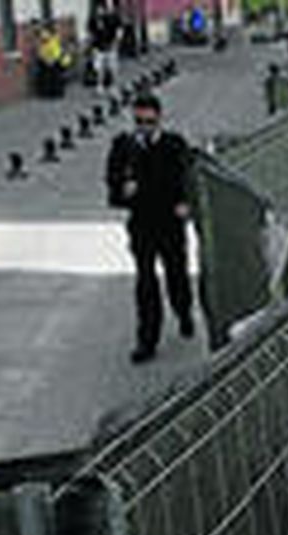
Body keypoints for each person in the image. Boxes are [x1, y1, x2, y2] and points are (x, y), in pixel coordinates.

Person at [105, 92, 195, 363]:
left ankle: (183, 311)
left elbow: (189, 179)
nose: (144, 127)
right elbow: (112, 188)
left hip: (170, 223)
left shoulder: (174, 144)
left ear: (159, 119)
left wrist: (186, 204)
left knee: (176, 275)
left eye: (149, 121)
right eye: (139, 121)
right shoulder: (123, 147)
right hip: (142, 224)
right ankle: (147, 340)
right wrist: (124, 191)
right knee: (145, 282)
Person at [88, 2, 121, 91]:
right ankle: (100, 85)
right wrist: (92, 46)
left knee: (112, 67)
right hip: (99, 47)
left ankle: (114, 85)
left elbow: (117, 30)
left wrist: (116, 42)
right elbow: (91, 33)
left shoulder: (111, 18)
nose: (100, 11)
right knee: (99, 68)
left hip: (110, 45)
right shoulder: (94, 20)